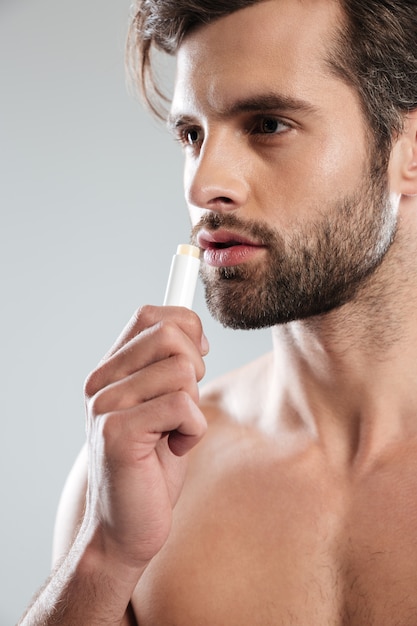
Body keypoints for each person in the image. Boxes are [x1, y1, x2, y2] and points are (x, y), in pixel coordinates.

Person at [19, 0, 417, 624]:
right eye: (192, 135)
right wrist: (104, 558)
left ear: (410, 148)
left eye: (267, 124)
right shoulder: (142, 473)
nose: (203, 186)